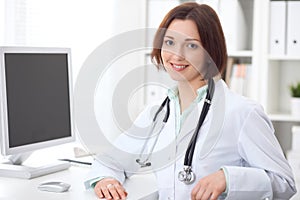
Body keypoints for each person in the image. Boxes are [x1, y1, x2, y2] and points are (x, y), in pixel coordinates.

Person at [85, 2, 296, 200]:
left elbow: (285, 183)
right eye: (170, 42)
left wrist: (228, 178)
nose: (177, 55)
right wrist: (106, 179)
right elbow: (111, 160)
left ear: (210, 52)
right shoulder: (156, 113)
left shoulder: (242, 112)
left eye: (191, 46)